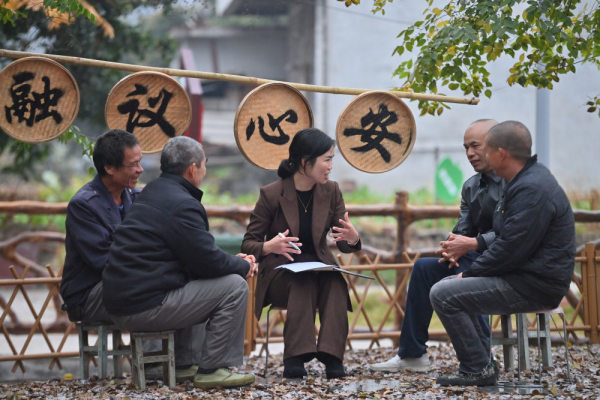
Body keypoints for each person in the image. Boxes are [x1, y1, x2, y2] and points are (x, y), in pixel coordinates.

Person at [102, 136, 257, 389]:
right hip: (143, 306)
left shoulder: (153, 191)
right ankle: (213, 369)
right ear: (193, 169)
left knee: (202, 280)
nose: (205, 170)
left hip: (122, 301)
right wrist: (243, 266)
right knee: (234, 286)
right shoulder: (182, 203)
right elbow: (206, 260)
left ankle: (184, 364)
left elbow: (197, 255)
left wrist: (231, 261)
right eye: (205, 164)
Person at [431, 121, 576, 387]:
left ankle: (476, 369)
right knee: (448, 286)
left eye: (484, 149)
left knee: (443, 293)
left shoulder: (532, 188)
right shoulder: (521, 181)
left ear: (501, 153)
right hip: (523, 276)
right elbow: (506, 241)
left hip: (535, 284)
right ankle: (481, 365)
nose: (476, 155)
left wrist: (471, 273)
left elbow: (510, 249)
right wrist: (468, 273)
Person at [370, 119, 503, 373]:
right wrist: (451, 248)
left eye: (475, 146)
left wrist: (472, 244)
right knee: (425, 268)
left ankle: (482, 357)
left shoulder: (514, 183)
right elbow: (463, 230)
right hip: (476, 257)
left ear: (497, 144)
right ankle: (412, 354)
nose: (469, 153)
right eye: (466, 147)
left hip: (507, 259)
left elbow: (516, 234)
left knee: (467, 268)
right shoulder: (471, 186)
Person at [242, 128, 361, 379]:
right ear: (306, 162)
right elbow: (249, 243)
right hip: (280, 273)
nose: (330, 166)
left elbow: (342, 243)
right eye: (326, 159)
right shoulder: (271, 194)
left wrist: (353, 238)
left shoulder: (332, 191)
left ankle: (332, 356)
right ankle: (295, 358)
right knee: (302, 281)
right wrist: (269, 246)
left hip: (320, 268)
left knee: (336, 282)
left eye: (332, 159)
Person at [60, 129, 143, 325]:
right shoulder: (83, 205)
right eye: (132, 164)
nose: (140, 169)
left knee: (181, 294)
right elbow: (105, 261)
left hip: (130, 283)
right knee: (156, 294)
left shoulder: (137, 198)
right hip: (90, 293)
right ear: (109, 168)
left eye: (140, 162)